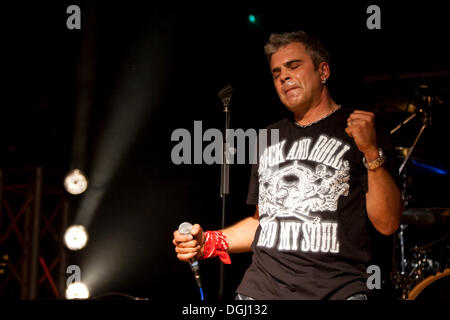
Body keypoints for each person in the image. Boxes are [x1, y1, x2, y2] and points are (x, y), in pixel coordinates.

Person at [172, 31, 403, 300]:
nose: (283, 76)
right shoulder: (268, 137)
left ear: (323, 70)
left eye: (294, 66)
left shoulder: (361, 128)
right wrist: (208, 243)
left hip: (336, 291)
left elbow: (387, 224)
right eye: (276, 72)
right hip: (260, 291)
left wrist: (371, 152)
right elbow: (264, 223)